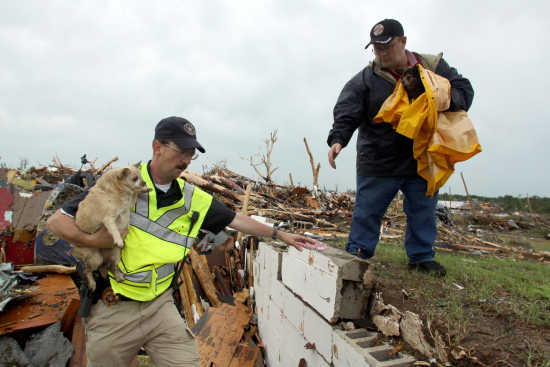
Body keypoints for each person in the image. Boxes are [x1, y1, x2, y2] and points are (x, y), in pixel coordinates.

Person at [47, 116, 317, 367]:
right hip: (114, 307)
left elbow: (235, 220)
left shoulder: (192, 198)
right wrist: (93, 239)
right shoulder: (121, 182)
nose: (187, 160)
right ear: (158, 147)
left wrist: (279, 235)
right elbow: (56, 221)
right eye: (182, 151)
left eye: (191, 154)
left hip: (160, 307)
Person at [327, 19, 474, 277]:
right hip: (379, 157)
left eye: (387, 47)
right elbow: (347, 111)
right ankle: (358, 252)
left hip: (422, 155)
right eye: (376, 49)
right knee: (367, 210)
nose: (381, 54)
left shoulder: (432, 67)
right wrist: (338, 139)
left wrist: (438, 98)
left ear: (403, 42)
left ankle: (421, 257)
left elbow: (464, 90)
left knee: (423, 209)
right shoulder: (366, 79)